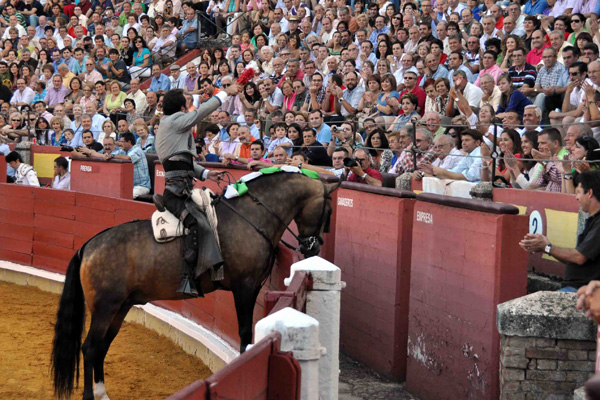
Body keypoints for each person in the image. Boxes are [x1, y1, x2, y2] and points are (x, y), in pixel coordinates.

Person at [155, 84, 240, 297]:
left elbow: (180, 161)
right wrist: (224, 94)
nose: (190, 104)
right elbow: (200, 113)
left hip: (182, 188)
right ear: (181, 107)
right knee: (197, 224)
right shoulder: (174, 121)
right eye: (186, 101)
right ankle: (187, 277)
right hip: (176, 193)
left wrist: (205, 174)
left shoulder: (171, 125)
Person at [520, 171, 600, 291]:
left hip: (583, 290)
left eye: (578, 192)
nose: (576, 197)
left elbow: (579, 257)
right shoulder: (593, 220)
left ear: (589, 193)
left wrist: (547, 247)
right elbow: (574, 258)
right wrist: (546, 248)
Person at [109, 131, 151, 199]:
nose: (120, 144)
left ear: (129, 142)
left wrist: (112, 156)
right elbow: (111, 155)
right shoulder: (124, 150)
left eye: (122, 142)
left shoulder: (137, 150)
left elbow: (128, 158)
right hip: (130, 186)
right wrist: (91, 153)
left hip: (141, 186)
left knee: (125, 197)